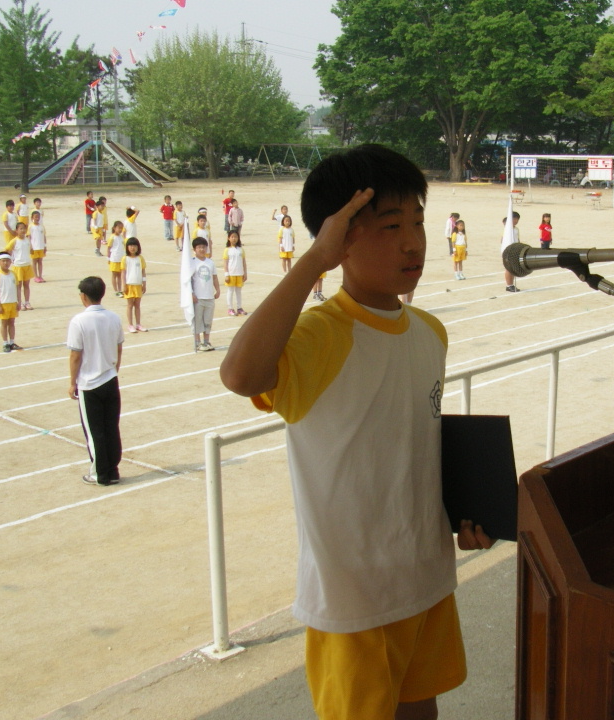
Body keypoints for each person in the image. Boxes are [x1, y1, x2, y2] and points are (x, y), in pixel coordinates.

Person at [219, 144, 494, 720]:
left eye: (417, 221)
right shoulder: (321, 334)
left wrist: (468, 513)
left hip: (425, 575)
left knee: (423, 713)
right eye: (390, 225)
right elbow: (241, 374)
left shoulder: (430, 332)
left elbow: (420, 445)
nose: (413, 241)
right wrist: (312, 263)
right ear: (338, 238)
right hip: (355, 597)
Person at [67, 275, 124, 486]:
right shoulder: (113, 317)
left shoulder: (79, 321)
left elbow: (75, 355)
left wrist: (72, 381)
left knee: (94, 431)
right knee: (111, 426)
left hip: (89, 383)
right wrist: (114, 369)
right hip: (110, 378)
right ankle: (113, 469)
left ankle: (100, 473)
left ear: (83, 296)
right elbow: (119, 347)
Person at [182, 236, 219, 351]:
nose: (202, 249)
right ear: (195, 249)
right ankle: (197, 342)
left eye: (203, 247)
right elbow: (187, 280)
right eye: (199, 247)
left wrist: (217, 289)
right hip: (198, 297)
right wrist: (191, 293)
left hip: (209, 296)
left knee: (208, 320)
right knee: (197, 320)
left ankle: (206, 341)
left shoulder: (210, 263)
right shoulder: (192, 263)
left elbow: (214, 277)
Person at [0, 251, 21, 352]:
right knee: (4, 323)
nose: (6, 263)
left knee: (12, 322)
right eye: (3, 261)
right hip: (4, 303)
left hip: (13, 302)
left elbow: (17, 288)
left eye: (8, 261)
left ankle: (12, 342)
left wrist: (19, 301)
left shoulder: (13, 274)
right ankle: (5, 343)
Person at [4, 221, 34, 310]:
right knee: (18, 285)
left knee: (27, 285)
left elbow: (31, 250)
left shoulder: (28, 240)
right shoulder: (14, 241)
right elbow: (7, 250)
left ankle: (27, 302)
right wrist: (10, 260)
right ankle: (19, 303)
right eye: (21, 229)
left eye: (24, 228)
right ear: (16, 230)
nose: (23, 230)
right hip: (18, 266)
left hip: (27, 265)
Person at [123, 238, 147, 333]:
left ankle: (138, 324)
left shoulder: (140, 258)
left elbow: (143, 272)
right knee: (130, 305)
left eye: (135, 246)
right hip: (129, 284)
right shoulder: (125, 259)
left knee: (137, 305)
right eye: (131, 246)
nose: (133, 248)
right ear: (127, 247)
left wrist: (144, 283)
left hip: (138, 284)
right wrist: (124, 285)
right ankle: (130, 324)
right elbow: (123, 273)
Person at [221, 230, 247, 316]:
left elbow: (243, 262)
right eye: (232, 237)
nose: (234, 238)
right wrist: (226, 274)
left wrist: (245, 273)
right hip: (231, 273)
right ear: (229, 238)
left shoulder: (241, 250)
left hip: (239, 273)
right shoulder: (227, 250)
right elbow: (225, 263)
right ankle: (230, 308)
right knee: (230, 291)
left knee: (238, 291)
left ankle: (239, 307)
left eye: (235, 237)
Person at [501, 211, 521, 292]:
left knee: (513, 268)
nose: (516, 221)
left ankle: (511, 284)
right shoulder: (507, 229)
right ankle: (509, 285)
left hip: (515, 250)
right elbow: (502, 239)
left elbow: (517, 239)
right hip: (508, 250)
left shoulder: (516, 229)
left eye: (517, 219)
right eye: (514, 219)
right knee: (509, 268)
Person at [108, 220, 127, 298]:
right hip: (114, 259)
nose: (120, 230)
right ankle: (116, 290)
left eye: (121, 228)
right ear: (114, 228)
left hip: (121, 258)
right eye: (119, 228)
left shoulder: (121, 237)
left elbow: (124, 246)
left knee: (120, 275)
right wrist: (108, 258)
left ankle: (120, 290)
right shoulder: (112, 237)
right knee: (114, 275)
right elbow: (109, 248)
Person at [28, 210, 47, 282]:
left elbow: (44, 236)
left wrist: (45, 246)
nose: (37, 218)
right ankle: (35, 276)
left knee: (40, 261)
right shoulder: (31, 226)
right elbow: (29, 237)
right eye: (35, 217)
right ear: (32, 217)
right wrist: (30, 246)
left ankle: (40, 276)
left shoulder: (42, 226)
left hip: (41, 247)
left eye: (38, 217)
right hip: (34, 247)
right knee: (34, 261)